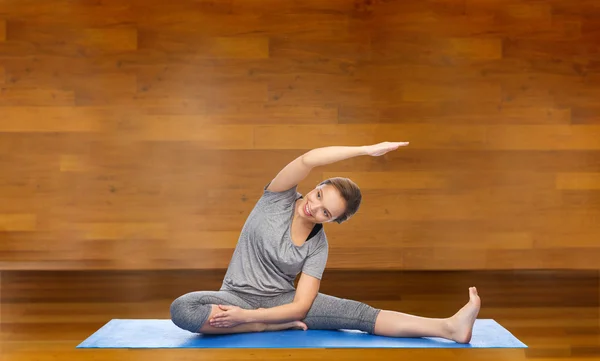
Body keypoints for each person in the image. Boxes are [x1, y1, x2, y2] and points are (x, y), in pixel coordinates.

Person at [170, 142, 481, 343]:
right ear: (316, 186)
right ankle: (264, 329)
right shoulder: (276, 198)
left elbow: (301, 305)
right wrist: (364, 151)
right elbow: (309, 158)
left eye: (326, 212)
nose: (313, 207)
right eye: (318, 195)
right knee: (183, 309)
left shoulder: (318, 246)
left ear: (331, 220)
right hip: (235, 295)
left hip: (283, 304)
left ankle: (448, 327)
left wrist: (248, 317)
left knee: (359, 315)